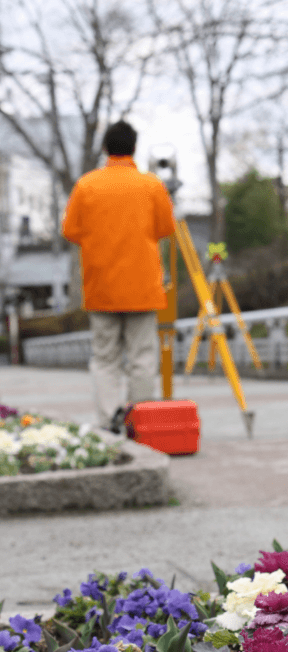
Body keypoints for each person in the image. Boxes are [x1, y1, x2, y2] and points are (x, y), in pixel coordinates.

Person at [62, 120, 176, 432]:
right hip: (142, 287)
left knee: (105, 358)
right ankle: (139, 418)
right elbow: (166, 228)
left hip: (102, 287)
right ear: (134, 148)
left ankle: (109, 417)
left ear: (104, 148)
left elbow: (70, 230)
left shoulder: (87, 185)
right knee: (141, 356)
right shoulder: (152, 185)